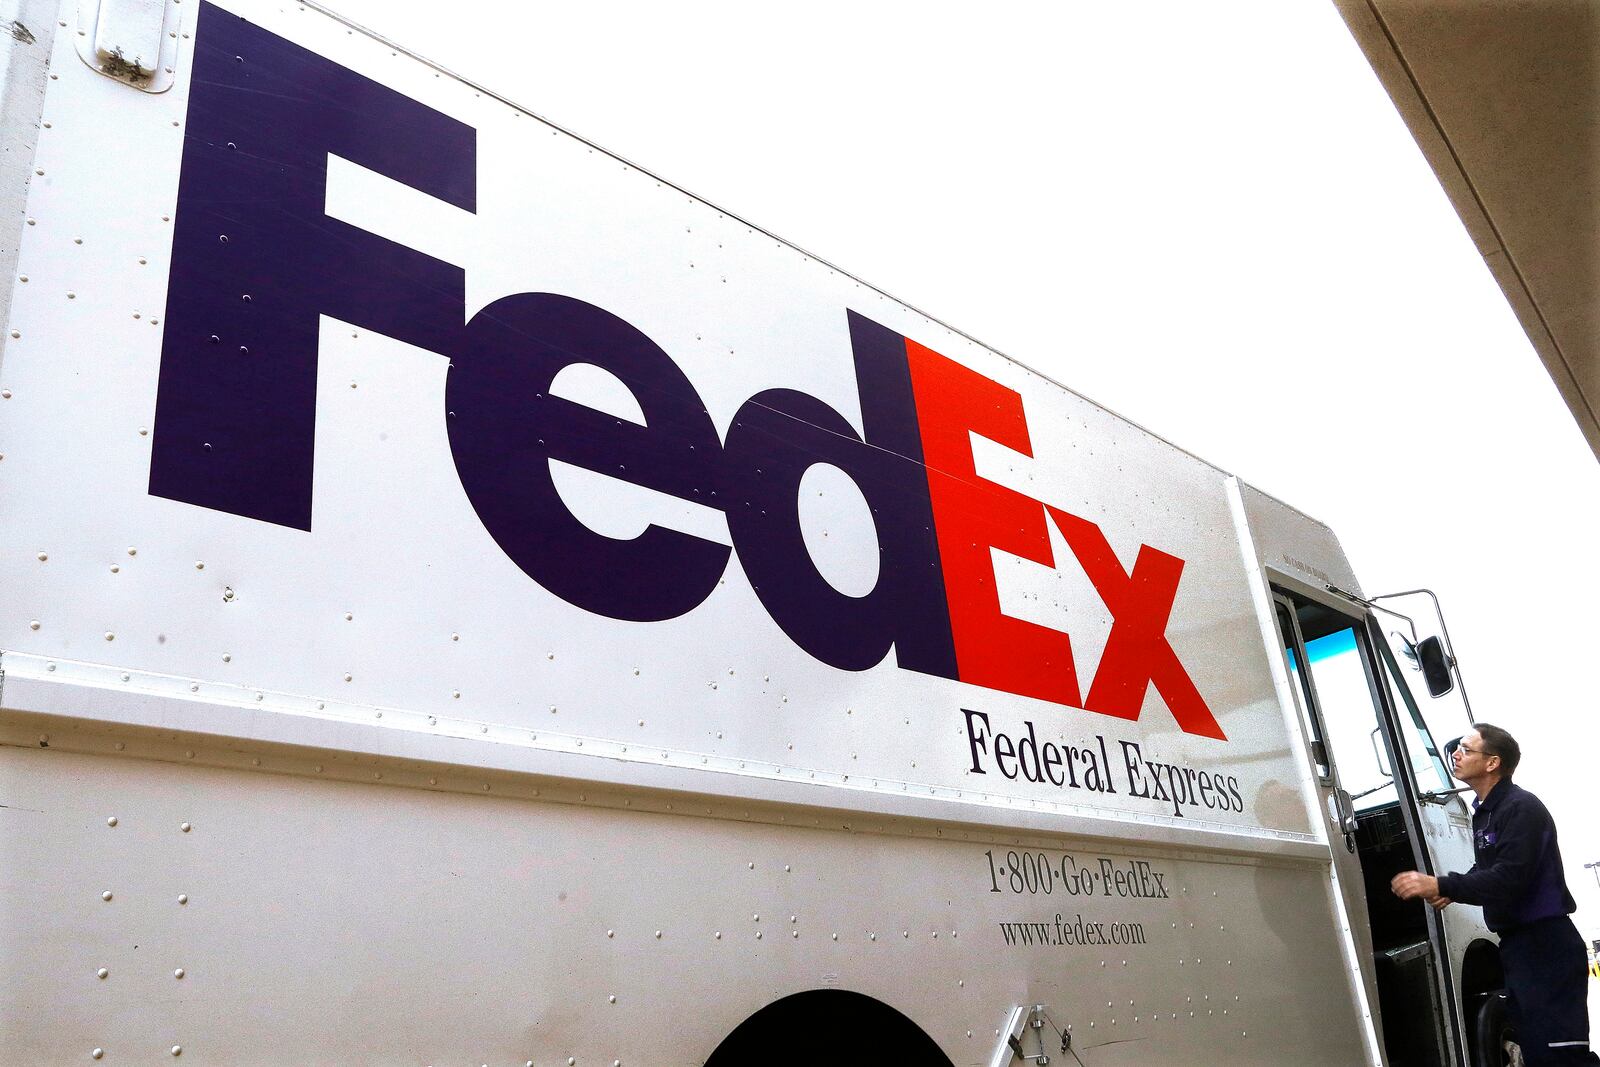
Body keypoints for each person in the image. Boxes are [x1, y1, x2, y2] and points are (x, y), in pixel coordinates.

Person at [1391, 724, 1598, 1066]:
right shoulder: (1487, 812)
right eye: (1456, 748)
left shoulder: (1521, 808)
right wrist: (1451, 887)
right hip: (1519, 947)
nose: (1455, 755)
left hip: (1546, 945)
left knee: (1562, 1057)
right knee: (1538, 1054)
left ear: (1492, 763)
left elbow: (1510, 878)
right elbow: (1489, 866)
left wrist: (1442, 886)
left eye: (1465, 749)